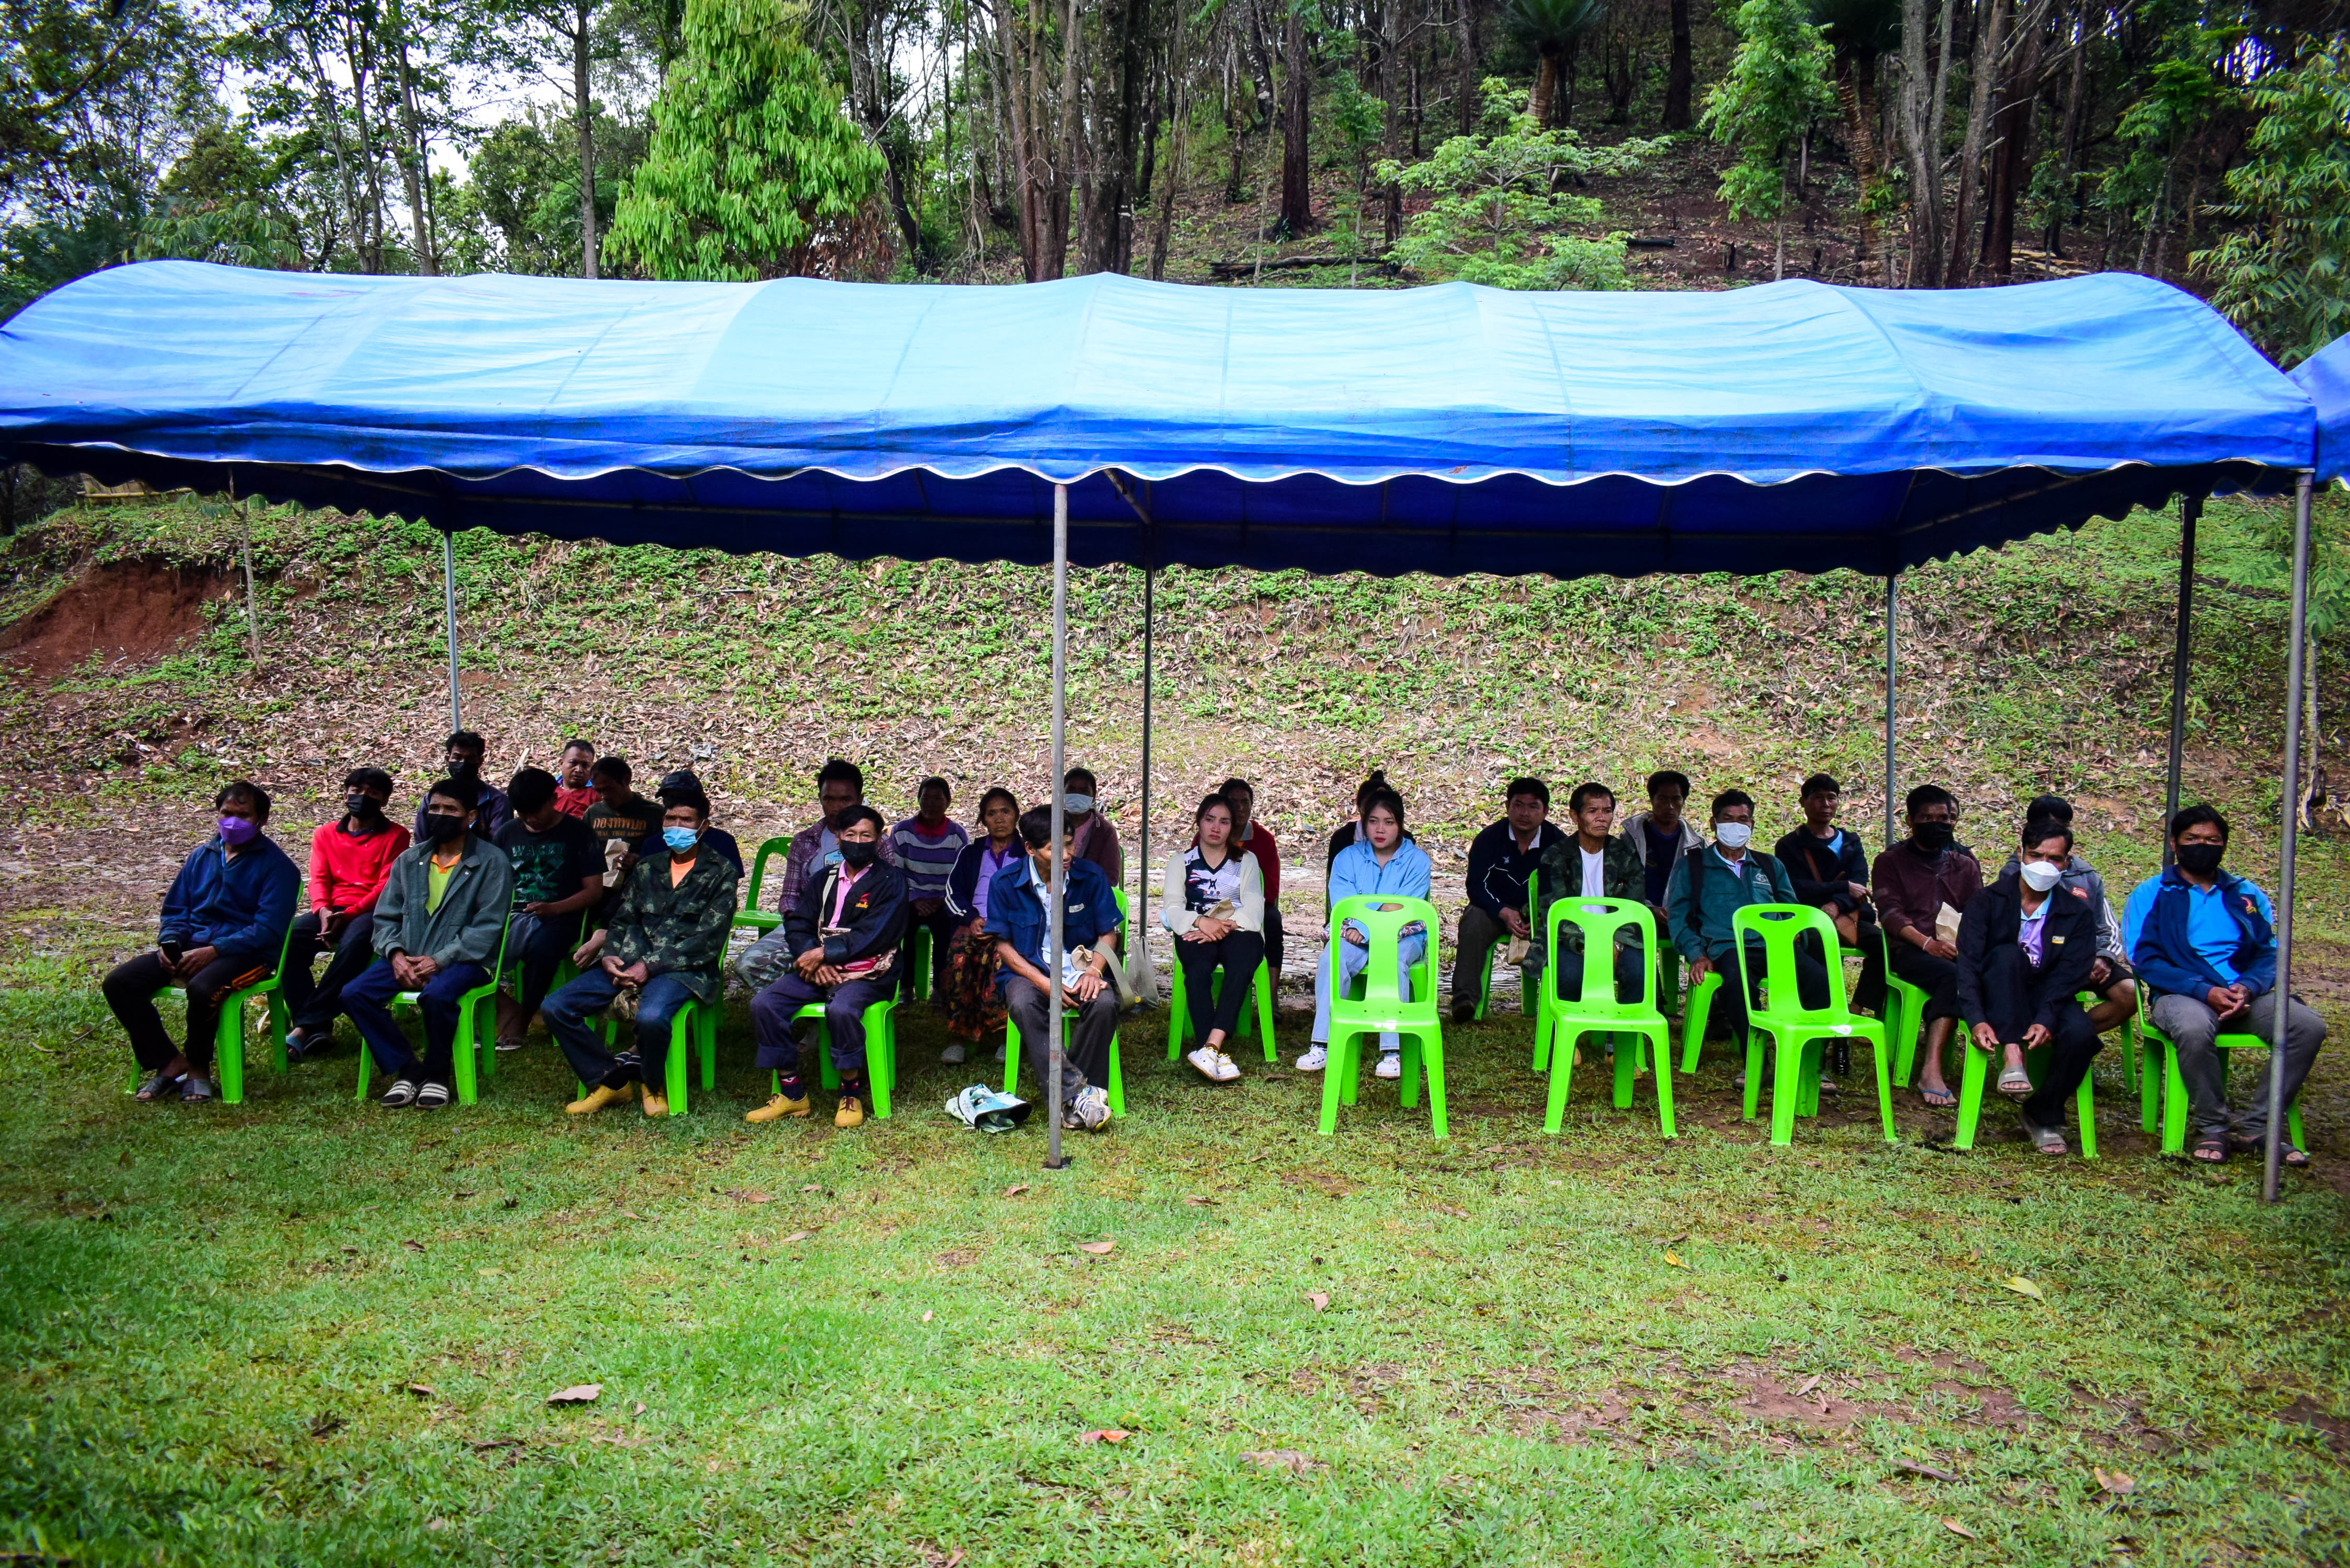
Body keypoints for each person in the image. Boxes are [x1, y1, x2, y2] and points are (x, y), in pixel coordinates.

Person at [2123, 804, 2328, 1166]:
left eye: (2212, 840)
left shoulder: (2245, 894)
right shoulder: (2152, 893)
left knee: (2306, 1026)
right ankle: (2212, 1126)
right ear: (2175, 844)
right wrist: (2204, 991)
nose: (2202, 846)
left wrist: (2247, 988)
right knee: (2192, 1025)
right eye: (2193, 839)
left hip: (2244, 994)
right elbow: (2144, 960)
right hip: (2182, 994)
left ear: (2224, 846)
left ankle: (2257, 1126)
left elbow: (2270, 954)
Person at [545, 789, 741, 1118]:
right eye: (671, 818)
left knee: (652, 1017)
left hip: (684, 970)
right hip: (628, 963)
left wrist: (649, 967)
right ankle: (609, 1082)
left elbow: (707, 940)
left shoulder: (721, 873)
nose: (677, 825)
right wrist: (609, 955)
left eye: (686, 820)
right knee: (557, 1006)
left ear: (703, 826)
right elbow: (622, 918)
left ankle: (654, 1084)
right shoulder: (648, 868)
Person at [106, 781, 302, 1103]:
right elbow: (176, 909)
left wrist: (216, 950)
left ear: (262, 820)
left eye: (243, 815)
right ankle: (170, 1061)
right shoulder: (202, 857)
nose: (233, 821)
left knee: (203, 988)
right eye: (226, 813)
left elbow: (268, 930)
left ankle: (198, 1066)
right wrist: (170, 942)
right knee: (120, 982)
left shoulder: (278, 868)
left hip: (248, 956)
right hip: (192, 946)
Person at [340, 778, 515, 1110]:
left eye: (451, 809)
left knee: (437, 995)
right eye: (434, 808)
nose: (440, 815)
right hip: (409, 956)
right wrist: (395, 954)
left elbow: (488, 926)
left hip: (467, 962)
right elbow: (386, 918)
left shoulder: (492, 862)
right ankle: (409, 1069)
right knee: (354, 994)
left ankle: (437, 1074)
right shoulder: (409, 861)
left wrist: (441, 960)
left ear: (472, 816)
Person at [745, 805, 909, 1129]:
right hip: (819, 966)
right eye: (850, 835)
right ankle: (792, 1093)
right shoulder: (823, 878)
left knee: (843, 1009)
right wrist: (811, 957)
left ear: (878, 841)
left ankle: (850, 1093)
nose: (858, 841)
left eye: (866, 835)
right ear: (838, 838)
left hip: (869, 971)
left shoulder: (892, 882)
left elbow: (876, 934)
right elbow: (799, 923)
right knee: (765, 1004)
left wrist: (825, 954)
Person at [1956, 820, 2102, 1156]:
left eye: (2054, 858)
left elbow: (2070, 974)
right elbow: (1968, 965)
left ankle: (2041, 1111)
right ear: (2021, 854)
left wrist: (2047, 1017)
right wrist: (1976, 1018)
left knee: (2081, 1037)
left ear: (2067, 863)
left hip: (2049, 997)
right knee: (2008, 955)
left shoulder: (2075, 913)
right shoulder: (1987, 901)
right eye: (2036, 855)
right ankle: (2011, 1053)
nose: (2044, 865)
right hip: (1998, 992)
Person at [1664, 789, 1827, 1064]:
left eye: (1743, 820)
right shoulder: (1694, 866)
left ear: (1752, 825)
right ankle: (1756, 1061)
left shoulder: (1769, 865)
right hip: (1729, 949)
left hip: (1775, 948)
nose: (1736, 826)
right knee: (1739, 986)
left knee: (1820, 982)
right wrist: (1697, 954)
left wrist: (1796, 932)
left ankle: (1812, 1064)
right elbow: (1678, 918)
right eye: (1728, 819)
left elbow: (1792, 909)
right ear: (1714, 823)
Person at [985, 805, 1119, 1133]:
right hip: (1028, 970)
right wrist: (1044, 982)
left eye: (1070, 844)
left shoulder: (1090, 876)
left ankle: (1070, 1100)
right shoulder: (1005, 883)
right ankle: (1078, 1092)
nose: (1067, 854)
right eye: (1053, 849)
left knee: (1105, 1004)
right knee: (1021, 1002)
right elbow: (1003, 946)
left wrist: (1095, 972)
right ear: (1030, 849)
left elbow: (1108, 933)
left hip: (1081, 967)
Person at [1300, 786, 1433, 1079]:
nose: (1381, 829)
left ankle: (1391, 1052)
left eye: (1389, 822)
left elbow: (1402, 906)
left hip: (1403, 936)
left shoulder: (1418, 861)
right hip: (1353, 935)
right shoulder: (1347, 858)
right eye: (1373, 821)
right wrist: (1357, 927)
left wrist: (1365, 928)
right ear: (1363, 823)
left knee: (1393, 962)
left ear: (1400, 824)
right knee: (1332, 960)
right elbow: (1344, 904)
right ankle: (1322, 1044)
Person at [282, 767, 411, 1059]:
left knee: (356, 943)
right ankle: (318, 1025)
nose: (363, 798)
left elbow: (385, 888)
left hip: (370, 911)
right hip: (330, 909)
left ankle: (305, 1024)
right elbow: (318, 879)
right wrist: (324, 911)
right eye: (357, 791)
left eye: (373, 794)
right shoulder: (325, 834)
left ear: (385, 801)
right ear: (345, 795)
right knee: (290, 940)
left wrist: (349, 914)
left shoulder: (396, 836)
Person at [736, 758, 898, 991]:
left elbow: (886, 901)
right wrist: (806, 944)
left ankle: (827, 1012)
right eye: (829, 799)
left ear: (861, 800)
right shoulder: (804, 842)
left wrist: (828, 952)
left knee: (850, 969)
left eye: (846, 799)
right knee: (750, 964)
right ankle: (798, 1009)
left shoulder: (879, 844)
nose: (837, 807)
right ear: (820, 799)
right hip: (808, 927)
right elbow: (790, 899)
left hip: (857, 932)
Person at [1873, 785, 1983, 1109]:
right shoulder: (1890, 861)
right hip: (1909, 951)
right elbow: (1890, 916)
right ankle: (1931, 1070)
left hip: (1956, 951)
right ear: (1911, 821)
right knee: (1953, 977)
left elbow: (1977, 914)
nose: (1938, 824)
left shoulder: (1965, 865)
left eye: (1945, 818)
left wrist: (1963, 945)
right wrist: (1927, 944)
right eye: (1928, 818)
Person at [1996, 794, 2136, 1037]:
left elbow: (2108, 928)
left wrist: (2102, 959)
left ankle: (2062, 1037)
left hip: (2086, 963)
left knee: (2129, 993)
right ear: (2027, 830)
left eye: (2062, 827)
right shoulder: (2012, 874)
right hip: (2038, 966)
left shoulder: (2086, 876)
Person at [490, 767, 606, 1051]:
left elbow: (594, 892)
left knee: (542, 950)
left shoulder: (578, 832)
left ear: (554, 799)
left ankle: (526, 1014)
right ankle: (507, 1007)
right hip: (513, 913)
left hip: (563, 914)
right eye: (523, 813)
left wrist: (554, 909)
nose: (530, 819)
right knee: (468, 944)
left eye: (536, 811)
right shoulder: (507, 834)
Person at [1165, 792, 1269, 1083]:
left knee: (1241, 967)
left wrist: (1221, 926)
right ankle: (1213, 1051)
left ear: (1232, 827)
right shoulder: (1181, 862)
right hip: (1195, 930)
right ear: (1198, 822)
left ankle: (1210, 1047)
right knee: (1197, 972)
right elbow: (1173, 907)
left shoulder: (1246, 861)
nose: (1216, 827)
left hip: (1238, 931)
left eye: (1224, 822)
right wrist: (1201, 922)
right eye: (1210, 819)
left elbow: (1253, 903)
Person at [1452, 777, 1565, 1022]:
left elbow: (1565, 889)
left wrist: (1536, 917)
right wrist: (1503, 912)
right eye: (1519, 805)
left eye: (1533, 806)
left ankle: (1563, 1001)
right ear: (1507, 807)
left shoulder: (1558, 843)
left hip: (1542, 913)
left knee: (1566, 928)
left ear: (1545, 811)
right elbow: (1475, 886)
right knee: (1473, 920)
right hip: (1496, 910)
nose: (1525, 813)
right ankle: (1465, 998)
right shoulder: (1489, 839)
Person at [1533, 781, 1648, 1010]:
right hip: (1568, 938)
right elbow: (1552, 911)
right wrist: (1584, 944)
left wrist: (1614, 945)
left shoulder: (1624, 854)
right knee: (1568, 976)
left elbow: (1634, 909)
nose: (1602, 818)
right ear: (1575, 816)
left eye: (1607, 811)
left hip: (1617, 938)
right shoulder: (1556, 856)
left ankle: (1619, 1038)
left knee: (1639, 974)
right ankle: (1566, 1039)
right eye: (1592, 811)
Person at [939, 788, 1023, 1064]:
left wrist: (1003, 925)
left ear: (1016, 816)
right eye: (992, 813)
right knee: (959, 958)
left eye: (1006, 812)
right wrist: (971, 918)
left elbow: (1035, 896)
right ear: (983, 820)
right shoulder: (972, 853)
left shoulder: (1029, 852)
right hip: (974, 922)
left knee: (1001, 961)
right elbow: (952, 892)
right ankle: (958, 1037)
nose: (999, 819)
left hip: (1012, 926)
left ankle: (1004, 1037)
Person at [890, 776, 969, 1004]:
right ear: (918, 800)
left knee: (945, 934)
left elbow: (960, 875)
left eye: (938, 798)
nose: (932, 804)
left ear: (948, 802)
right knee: (902, 931)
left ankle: (940, 990)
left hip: (944, 900)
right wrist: (914, 899)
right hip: (910, 898)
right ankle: (906, 988)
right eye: (927, 798)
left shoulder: (957, 835)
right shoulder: (902, 832)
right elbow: (897, 873)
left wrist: (942, 900)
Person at [1774, 774, 1873, 949]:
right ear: (1803, 802)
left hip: (1849, 914)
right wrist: (1844, 887)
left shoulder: (1851, 842)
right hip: (1809, 917)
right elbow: (1796, 887)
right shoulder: (1789, 845)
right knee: (1817, 946)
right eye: (1818, 798)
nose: (1826, 804)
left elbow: (1859, 883)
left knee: (1880, 946)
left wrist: (1836, 904)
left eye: (1831, 798)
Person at [1218, 777, 1283, 979]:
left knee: (1273, 921)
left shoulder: (1264, 840)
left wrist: (1243, 909)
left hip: (1254, 905)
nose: (1240, 808)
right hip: (1213, 904)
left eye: (1245, 802)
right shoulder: (1209, 834)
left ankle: (1272, 1000)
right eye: (1233, 802)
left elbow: (1270, 889)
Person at [1620, 770, 1701, 914]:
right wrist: (1648, 909)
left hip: (1681, 920)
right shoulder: (1631, 837)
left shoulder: (1695, 845)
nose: (1670, 806)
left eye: (1676, 799)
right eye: (1663, 799)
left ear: (1684, 801)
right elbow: (1620, 883)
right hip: (1636, 916)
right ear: (1652, 799)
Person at [634, 769, 743, 874]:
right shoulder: (653, 844)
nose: (677, 803)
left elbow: (728, 885)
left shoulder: (722, 843)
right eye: (670, 798)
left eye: (684, 798)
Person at [412, 731, 509, 841]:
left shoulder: (497, 802)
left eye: (470, 759)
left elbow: (498, 846)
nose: (463, 763)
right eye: (458, 758)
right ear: (448, 759)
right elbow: (421, 844)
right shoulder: (431, 800)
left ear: (480, 762)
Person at [583, 756, 662, 889]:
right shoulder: (593, 813)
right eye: (599, 791)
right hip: (600, 887)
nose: (604, 797)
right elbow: (582, 851)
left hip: (642, 886)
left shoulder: (654, 814)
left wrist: (639, 860)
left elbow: (669, 857)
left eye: (609, 789)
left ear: (626, 780)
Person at [1324, 769, 1396, 888]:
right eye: (1370, 812)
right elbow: (1337, 886)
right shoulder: (1342, 839)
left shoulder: (1406, 841)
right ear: (1360, 808)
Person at [1062, 766, 1124, 892]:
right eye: (1072, 790)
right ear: (1062, 792)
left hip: (1089, 896)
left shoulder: (1104, 831)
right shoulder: (1050, 823)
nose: (1077, 795)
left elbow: (1111, 877)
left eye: (1084, 791)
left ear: (1094, 796)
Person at [551, 739, 598, 818]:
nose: (579, 770)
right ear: (561, 763)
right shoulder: (548, 789)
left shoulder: (598, 793)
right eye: (573, 763)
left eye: (585, 765)